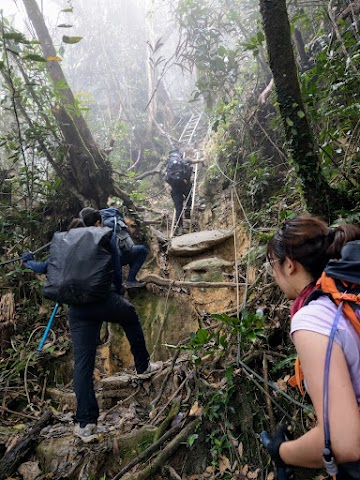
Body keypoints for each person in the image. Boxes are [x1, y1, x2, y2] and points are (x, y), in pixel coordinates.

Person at [22, 207, 159, 443]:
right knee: (131, 317)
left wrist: (27, 261)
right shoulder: (104, 236)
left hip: (77, 310)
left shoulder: (64, 244)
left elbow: (44, 267)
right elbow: (116, 269)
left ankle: (85, 424)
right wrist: (117, 292)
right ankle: (143, 366)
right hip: (104, 300)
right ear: (96, 222)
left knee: (83, 363)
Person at [264, 214, 360, 479]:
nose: (273, 273)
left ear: (290, 266)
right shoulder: (347, 293)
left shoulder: (313, 317)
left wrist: (281, 452)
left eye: (274, 264)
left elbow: (344, 443)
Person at [165, 148, 202, 235]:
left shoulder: (169, 164)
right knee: (189, 195)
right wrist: (202, 160)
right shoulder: (184, 160)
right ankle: (188, 209)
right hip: (185, 185)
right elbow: (194, 161)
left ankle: (180, 226)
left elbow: (166, 177)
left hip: (175, 188)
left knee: (178, 208)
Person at [120, 218, 148, 288]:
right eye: (134, 226)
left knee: (134, 253)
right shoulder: (125, 231)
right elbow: (128, 249)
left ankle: (131, 279)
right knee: (143, 250)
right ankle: (130, 280)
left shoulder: (116, 229)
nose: (135, 230)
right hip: (117, 258)